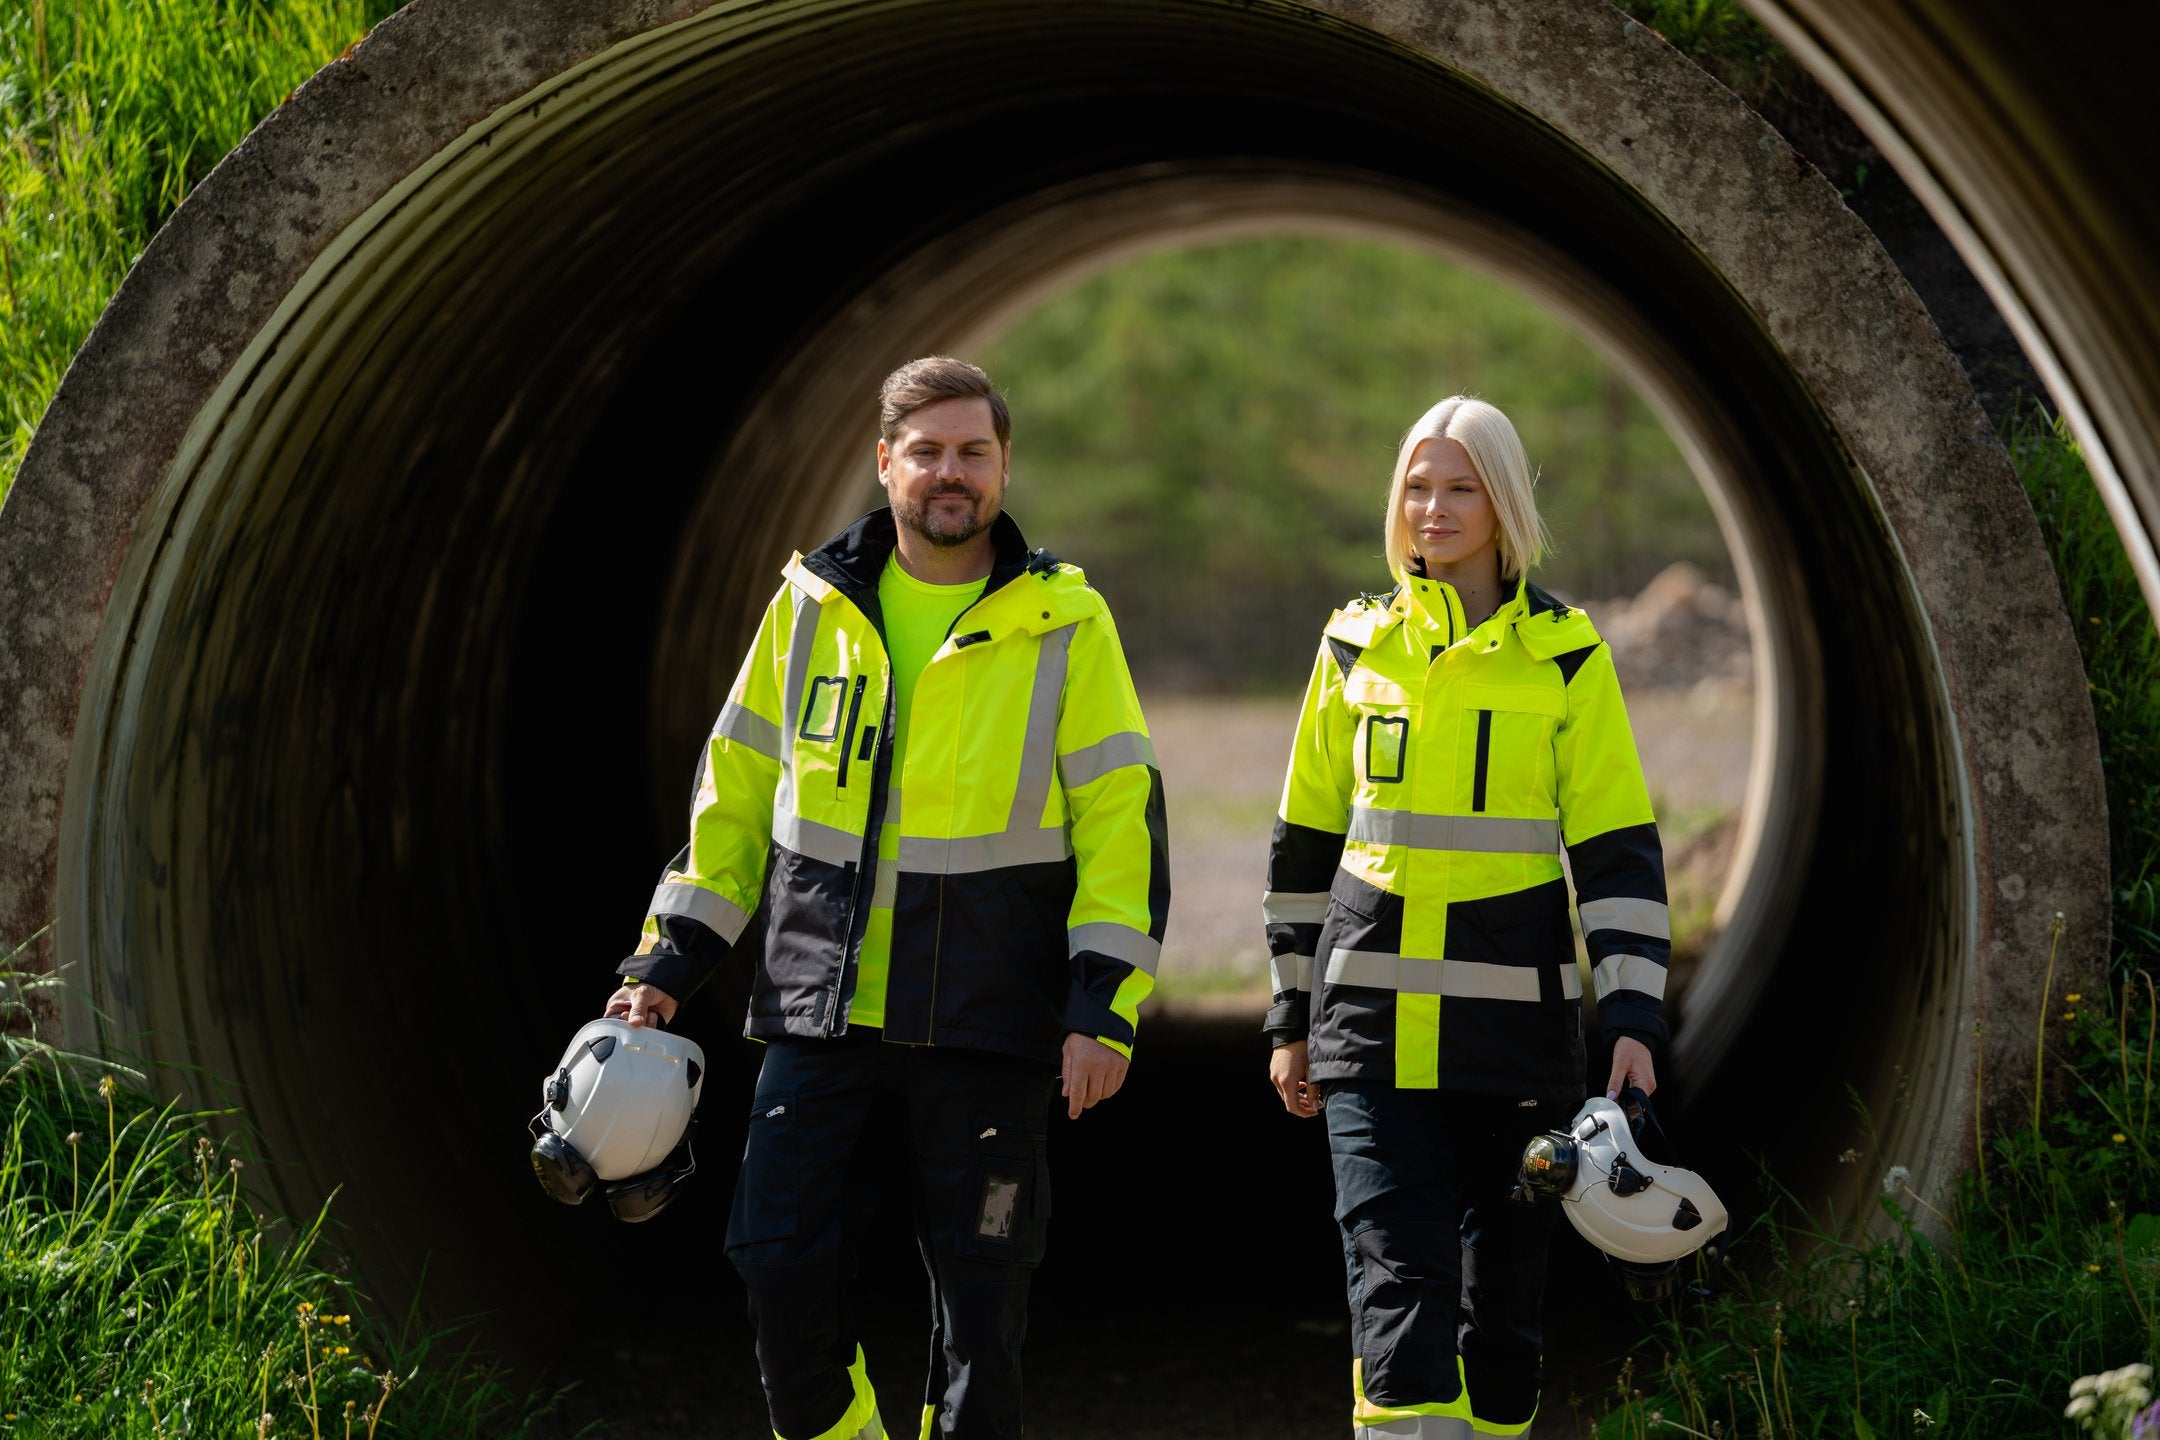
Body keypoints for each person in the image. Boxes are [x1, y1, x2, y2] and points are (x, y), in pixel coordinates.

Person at [603, 356, 1168, 1440]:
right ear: (885, 463)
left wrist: (1104, 1005)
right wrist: (664, 965)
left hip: (989, 1019)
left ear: (1003, 466)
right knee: (772, 1256)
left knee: (981, 1304)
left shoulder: (1067, 622)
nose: (949, 474)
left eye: (972, 452)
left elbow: (1118, 822)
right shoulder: (809, 608)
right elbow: (733, 804)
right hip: (823, 1008)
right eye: (927, 453)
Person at [1261, 396, 1669, 1439]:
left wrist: (1632, 1015)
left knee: (1504, 1322)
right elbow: (1304, 843)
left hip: (1516, 1042)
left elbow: (1617, 849)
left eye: (1459, 485)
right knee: (1397, 1290)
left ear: (1505, 501)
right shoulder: (1352, 649)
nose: (1431, 507)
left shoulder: (1567, 656)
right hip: (1367, 1034)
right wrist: (1288, 1014)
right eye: (1415, 484)